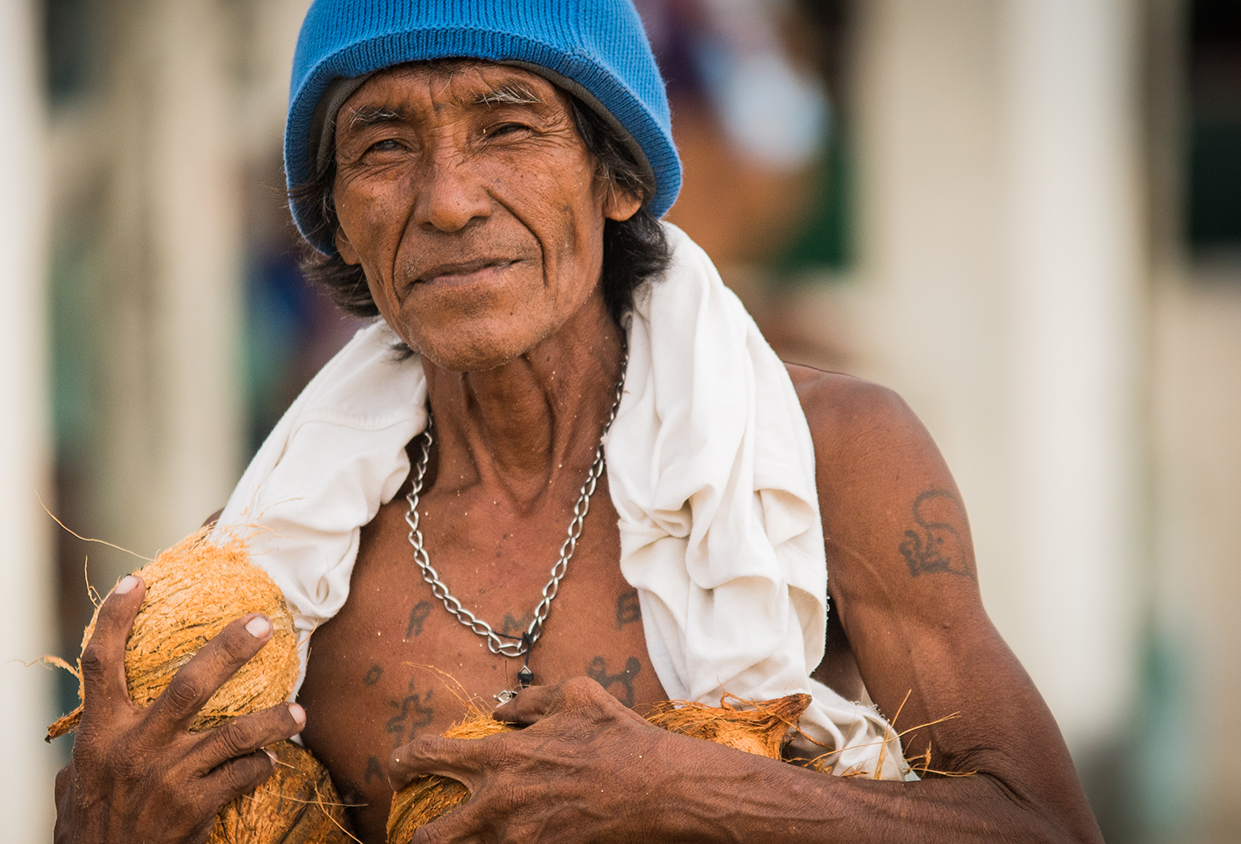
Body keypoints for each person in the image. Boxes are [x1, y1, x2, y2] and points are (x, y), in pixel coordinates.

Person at [54, 1, 1105, 842]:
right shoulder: (275, 569)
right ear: (337, 217)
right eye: (383, 148)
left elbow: (1042, 823)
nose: (451, 198)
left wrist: (688, 790)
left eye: (506, 127)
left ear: (617, 176)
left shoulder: (825, 453)